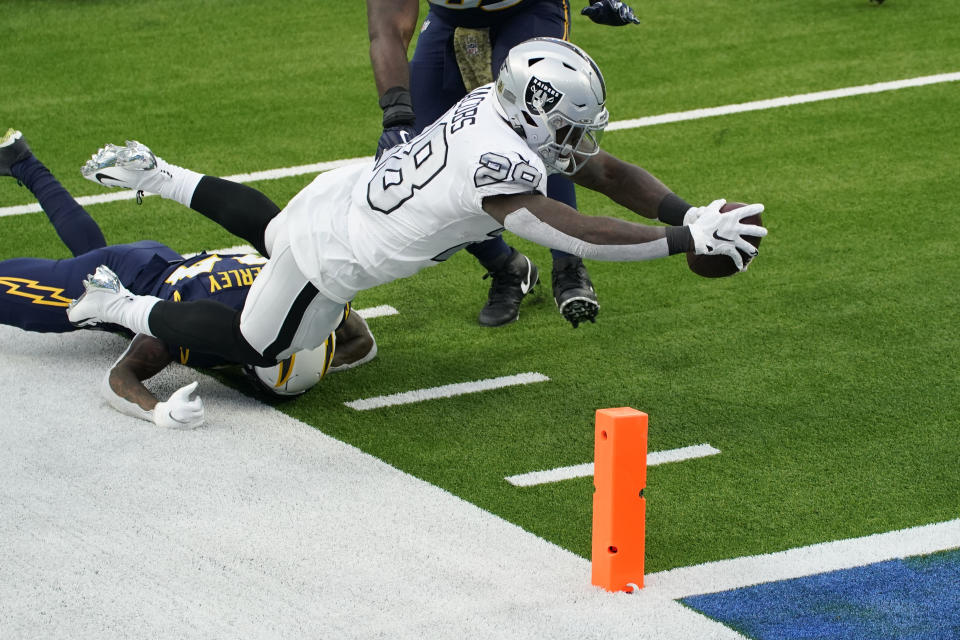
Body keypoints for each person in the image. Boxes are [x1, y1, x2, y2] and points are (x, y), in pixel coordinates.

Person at [67, 38, 765, 380]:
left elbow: (604, 170)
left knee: (275, 227)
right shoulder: (504, 162)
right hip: (340, 253)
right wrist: (680, 241)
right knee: (262, 344)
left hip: (343, 195)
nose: (579, 142)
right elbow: (575, 232)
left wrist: (689, 210)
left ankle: (159, 175)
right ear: (536, 109)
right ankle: (115, 305)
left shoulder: (496, 104)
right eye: (570, 125)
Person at [0, 128, 377, 429]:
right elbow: (121, 375)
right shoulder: (199, 329)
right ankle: (25, 163)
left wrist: (323, 359)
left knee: (89, 252)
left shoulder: (310, 308)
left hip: (164, 261)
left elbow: (362, 342)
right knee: (54, 282)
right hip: (126, 282)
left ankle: (22, 161)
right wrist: (157, 411)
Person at [368, 0, 640, 328]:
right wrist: (397, 116)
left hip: (526, 11)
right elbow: (387, 26)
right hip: (449, 20)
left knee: (543, 130)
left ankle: (568, 265)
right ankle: (506, 265)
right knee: (426, 163)